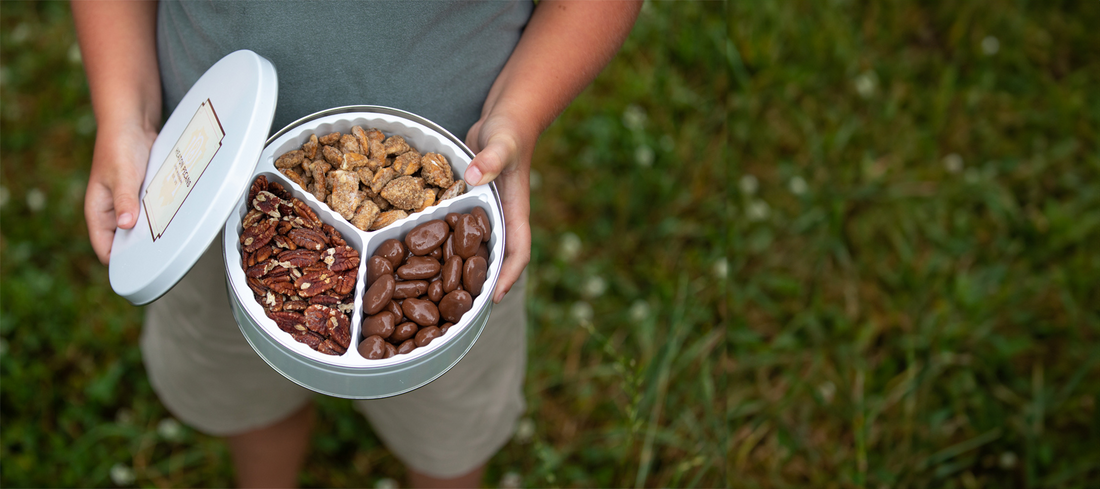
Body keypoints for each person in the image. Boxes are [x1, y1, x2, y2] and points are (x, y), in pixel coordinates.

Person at [73, 1, 641, 487]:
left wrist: (519, 116)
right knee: (243, 395)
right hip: (200, 186)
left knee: (449, 432)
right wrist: (126, 110)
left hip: (466, 176)